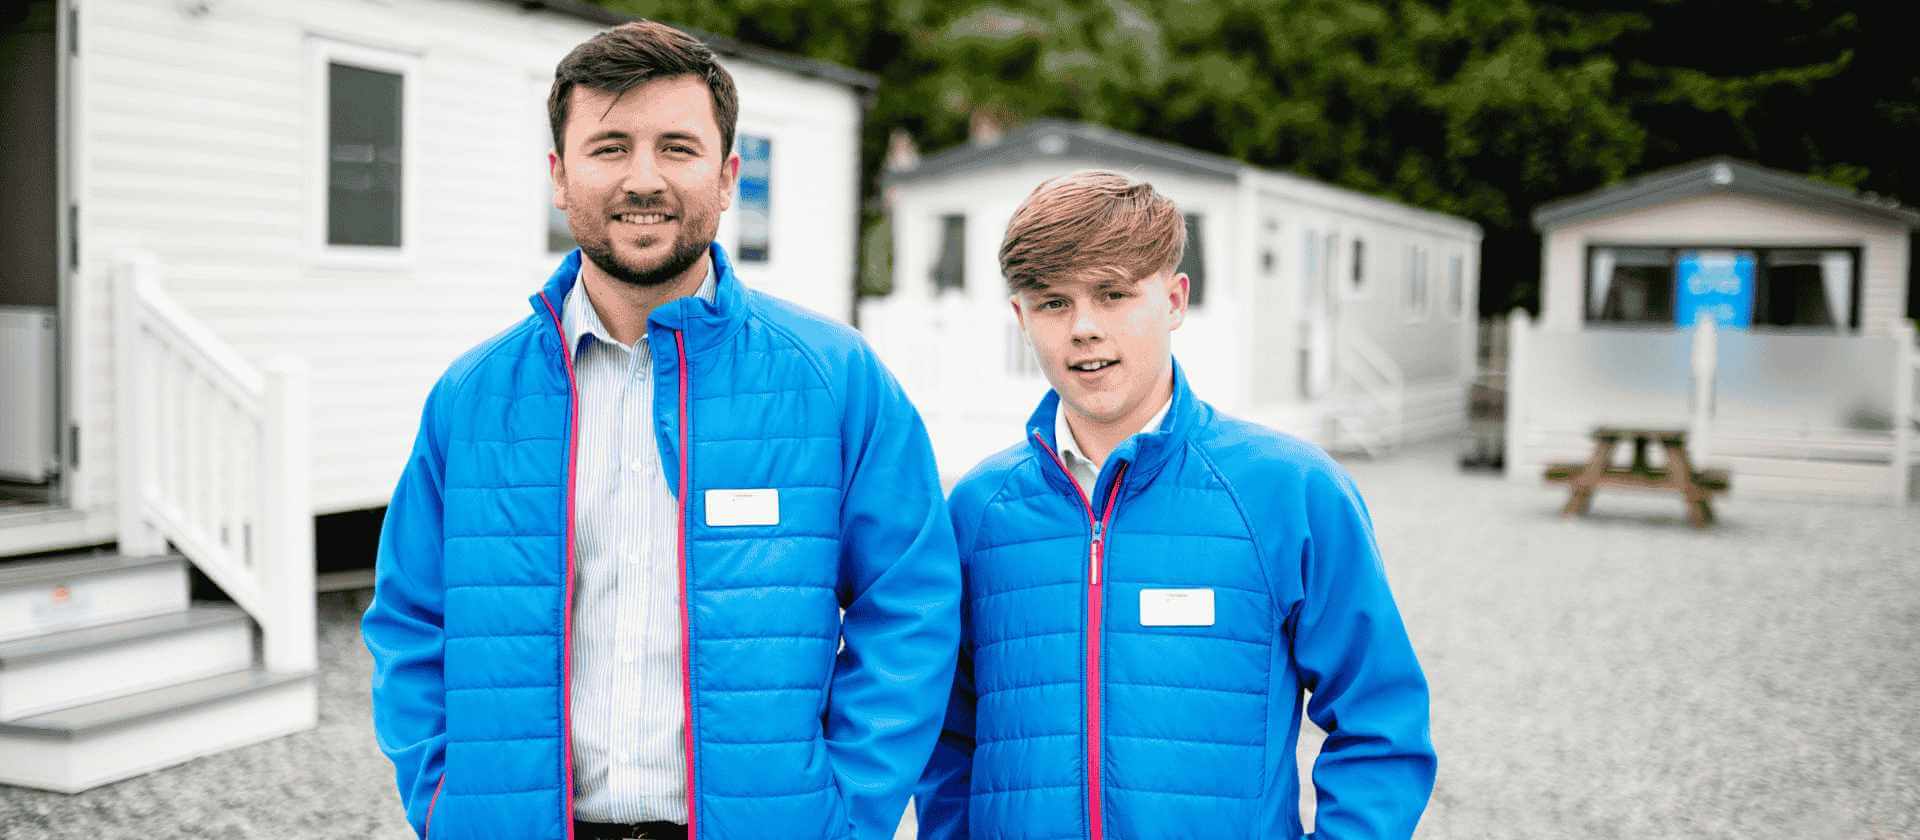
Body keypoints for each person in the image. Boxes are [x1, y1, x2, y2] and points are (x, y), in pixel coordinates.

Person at [362, 20, 959, 840]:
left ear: (727, 176)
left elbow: (909, 606)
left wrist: (841, 816)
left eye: (677, 147)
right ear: (560, 177)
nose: (643, 179)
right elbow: (409, 620)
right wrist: (449, 802)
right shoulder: (471, 400)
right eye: (609, 148)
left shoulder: (835, 381)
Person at [915, 170, 1435, 839]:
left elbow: (1380, 721)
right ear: (1021, 317)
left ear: (1174, 298)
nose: (1084, 329)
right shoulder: (978, 510)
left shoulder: (1291, 493)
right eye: (1051, 303)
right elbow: (946, 735)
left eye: (1113, 294)